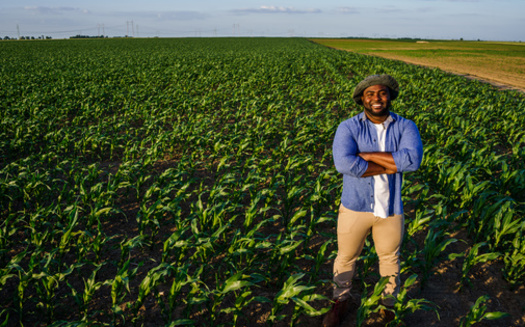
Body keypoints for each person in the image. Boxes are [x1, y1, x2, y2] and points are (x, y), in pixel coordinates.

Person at [323, 74, 423, 327]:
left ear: (390, 97)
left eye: (382, 93)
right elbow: (344, 163)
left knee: (390, 259)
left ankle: (388, 307)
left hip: (391, 209)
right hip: (355, 207)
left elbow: (412, 161)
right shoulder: (348, 127)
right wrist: (392, 163)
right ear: (362, 99)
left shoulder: (405, 126)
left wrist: (366, 157)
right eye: (370, 94)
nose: (377, 98)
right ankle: (340, 302)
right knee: (346, 257)